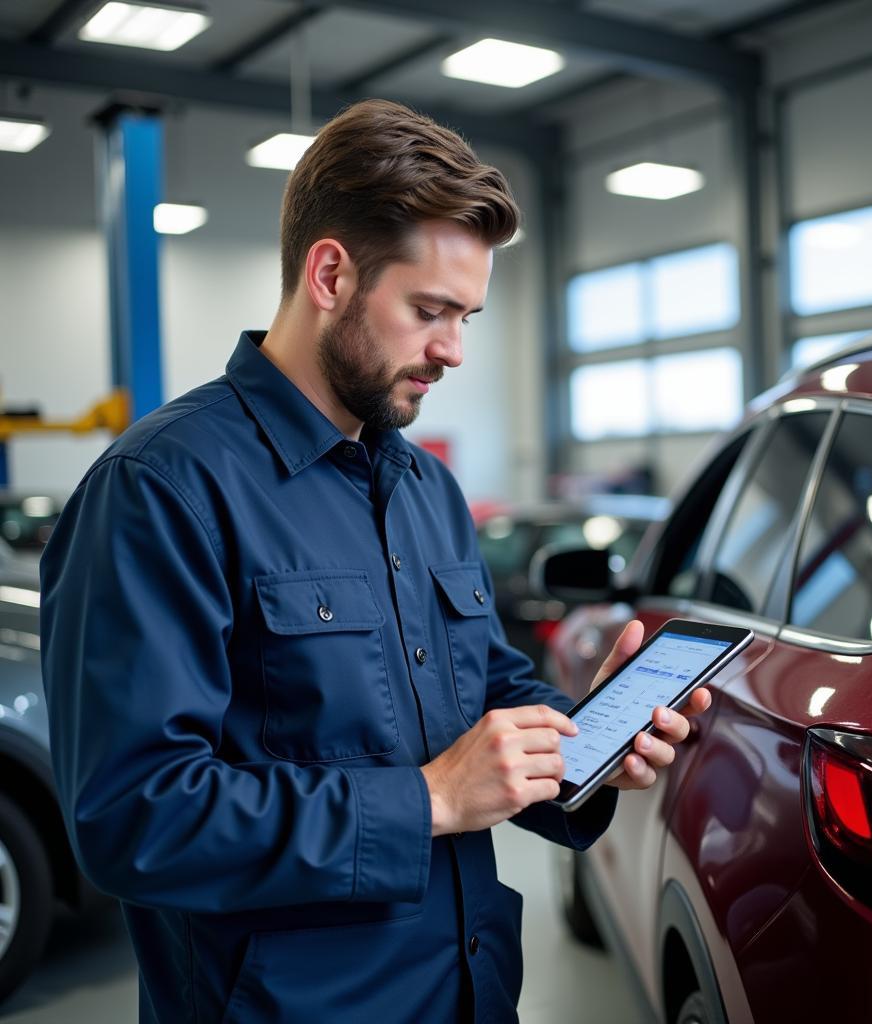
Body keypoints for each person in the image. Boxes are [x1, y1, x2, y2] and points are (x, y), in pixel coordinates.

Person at [40, 98, 710, 1024]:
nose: (455, 351)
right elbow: (133, 816)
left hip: (468, 993)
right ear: (329, 273)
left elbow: (484, 691)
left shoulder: (425, 491)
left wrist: (587, 742)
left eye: (467, 315)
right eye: (430, 310)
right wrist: (427, 800)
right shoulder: (162, 489)